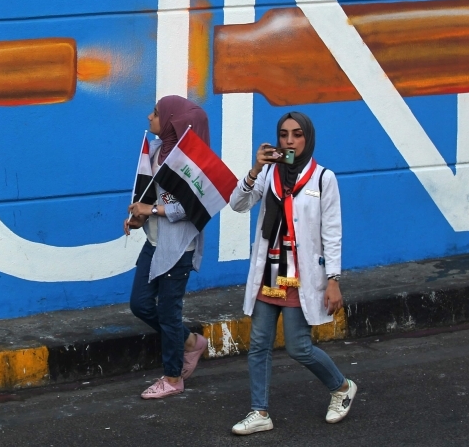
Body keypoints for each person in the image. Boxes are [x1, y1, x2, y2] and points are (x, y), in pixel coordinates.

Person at [227, 112, 356, 434]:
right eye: (283, 135)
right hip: (269, 271)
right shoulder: (269, 174)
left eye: (296, 135)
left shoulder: (324, 178)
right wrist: (255, 168)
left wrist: (334, 281)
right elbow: (238, 204)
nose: (289, 141)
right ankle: (260, 412)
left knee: (299, 347)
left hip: (302, 276)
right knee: (258, 344)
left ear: (307, 138)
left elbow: (333, 233)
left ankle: (341, 387)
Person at [123, 95, 210, 399]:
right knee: (141, 304)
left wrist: (154, 211)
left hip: (178, 248)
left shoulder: (191, 164)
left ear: (174, 121)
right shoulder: (159, 152)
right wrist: (139, 218)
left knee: (169, 313)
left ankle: (173, 378)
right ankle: (191, 342)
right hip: (155, 241)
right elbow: (149, 194)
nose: (149, 117)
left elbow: (195, 206)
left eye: (157, 113)